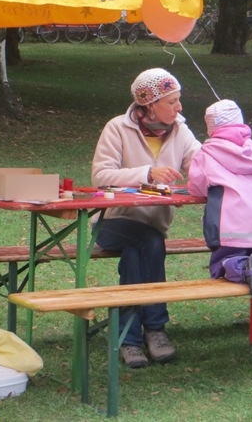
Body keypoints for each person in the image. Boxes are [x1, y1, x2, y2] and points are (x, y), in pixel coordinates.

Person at [91, 67, 202, 369]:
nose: (179, 108)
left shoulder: (181, 130)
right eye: (172, 102)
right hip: (111, 223)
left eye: (179, 100)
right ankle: (155, 329)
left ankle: (128, 339)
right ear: (149, 104)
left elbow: (202, 164)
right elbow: (100, 176)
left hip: (151, 226)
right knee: (149, 242)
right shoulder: (117, 128)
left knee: (138, 251)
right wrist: (146, 174)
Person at [187, 99, 252, 301]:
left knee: (224, 261)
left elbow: (197, 185)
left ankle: (243, 267)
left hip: (228, 225)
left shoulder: (207, 153)